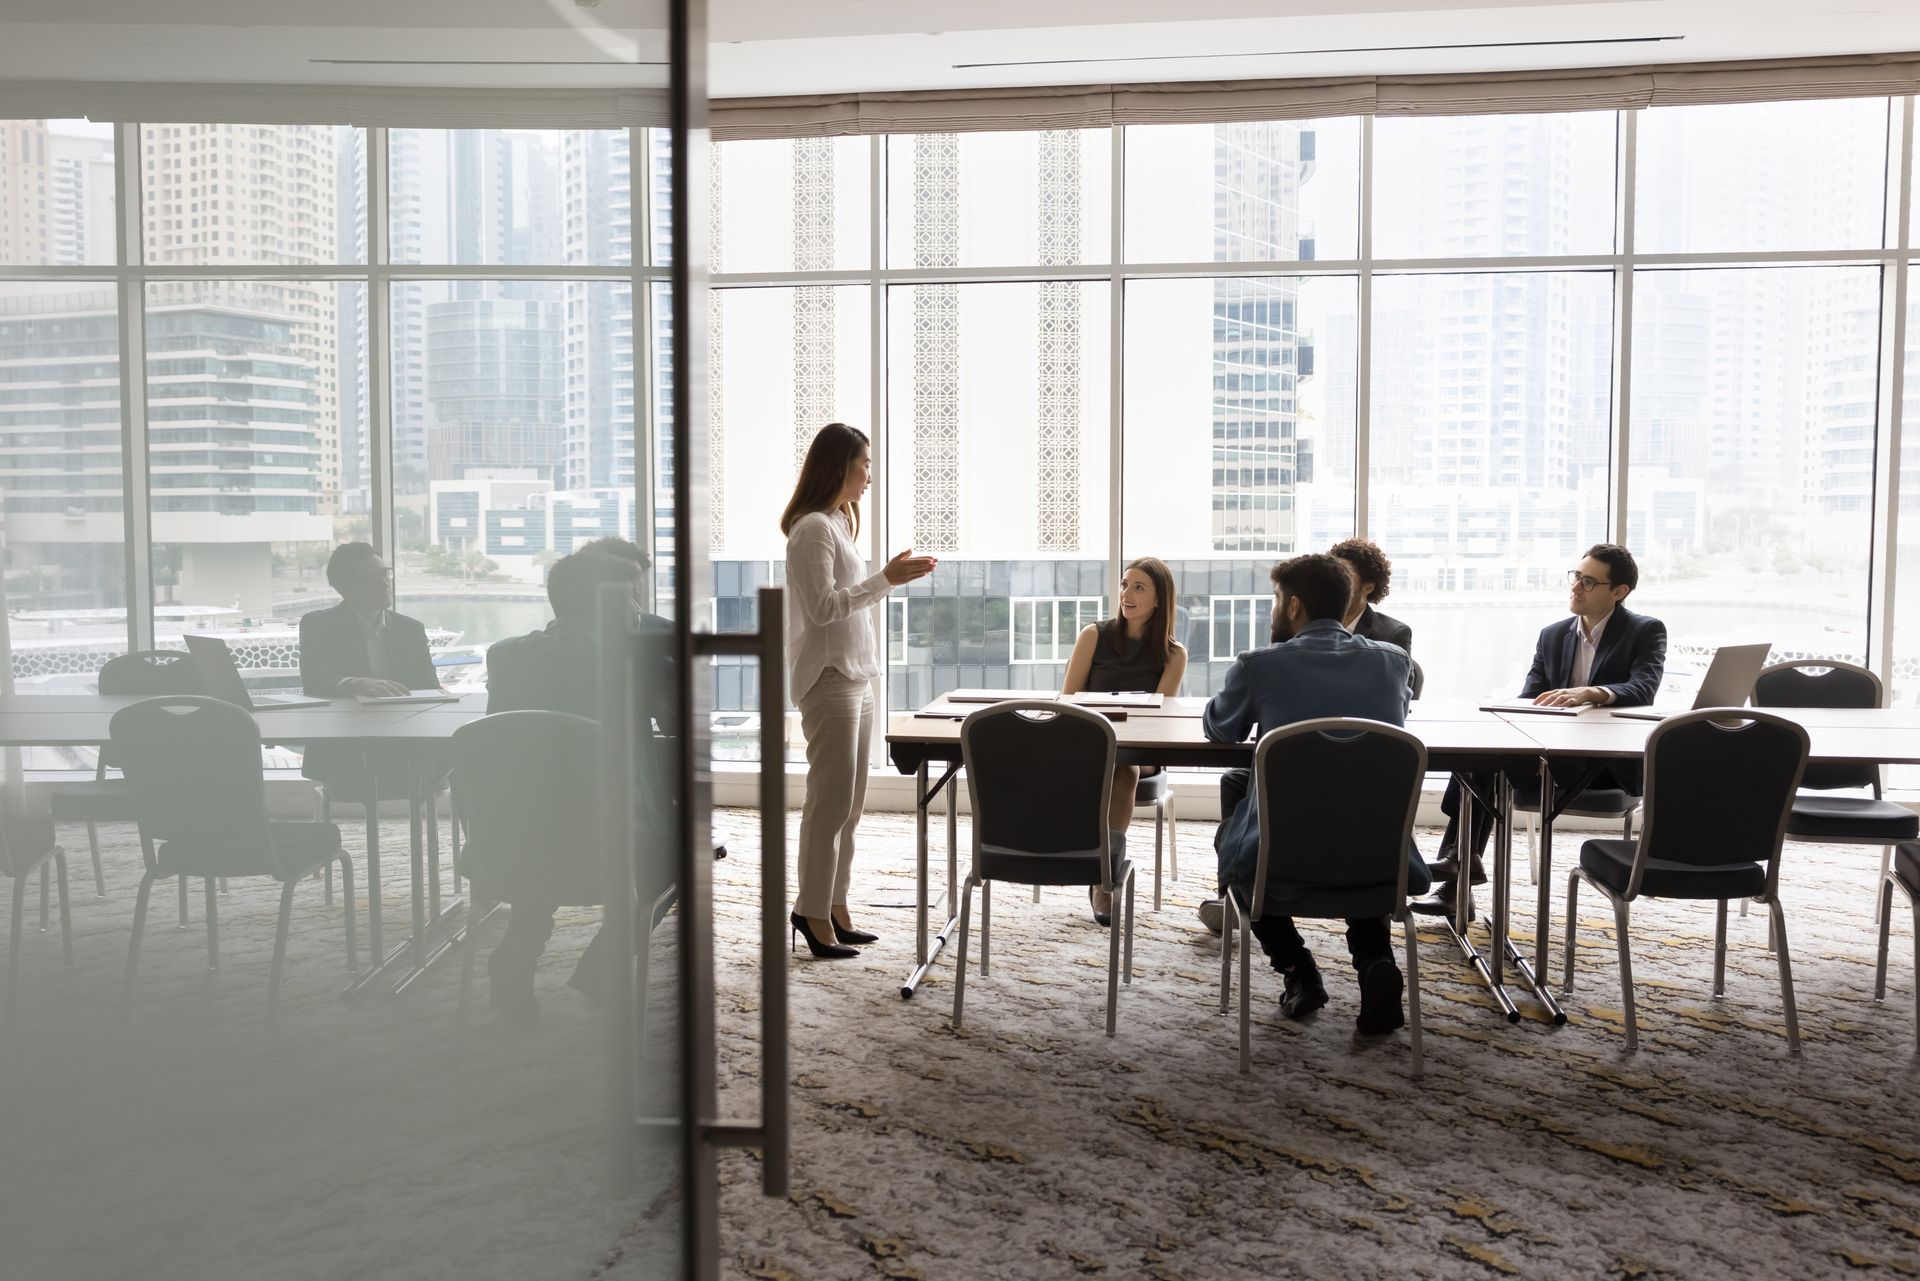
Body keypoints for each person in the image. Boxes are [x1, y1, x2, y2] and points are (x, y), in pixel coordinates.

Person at [1200, 553, 1429, 1032]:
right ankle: (1373, 963)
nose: (1272, 610)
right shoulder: (1394, 662)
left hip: (1282, 855)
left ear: (1294, 606)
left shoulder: (1259, 665)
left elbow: (1221, 729)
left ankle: (1298, 970)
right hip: (1377, 854)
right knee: (1354, 825)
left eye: (1276, 601)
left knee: (1233, 846)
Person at [1414, 543, 1666, 919]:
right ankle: (1459, 868)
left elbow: (1643, 687)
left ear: (1619, 592)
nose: (1575, 587)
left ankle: (1458, 871)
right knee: (1482, 756)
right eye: (1575, 577)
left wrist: (1592, 693)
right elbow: (1531, 696)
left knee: (1487, 766)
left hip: (1604, 767)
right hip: (1548, 755)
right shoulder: (1552, 635)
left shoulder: (1644, 631)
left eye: (1588, 581)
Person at [471, 547, 647, 1023]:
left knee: (547, 836)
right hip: (599, 833)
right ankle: (599, 968)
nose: (639, 607)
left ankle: (516, 956)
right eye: (632, 596)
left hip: (515, 826)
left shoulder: (504, 655)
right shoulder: (623, 659)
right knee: (674, 854)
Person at [783, 423, 936, 959]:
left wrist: (886, 579)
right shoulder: (812, 530)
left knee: (849, 806)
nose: (870, 475)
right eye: (864, 464)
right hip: (828, 677)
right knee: (827, 805)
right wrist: (886, 579)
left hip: (856, 674)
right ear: (838, 466)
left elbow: (847, 604)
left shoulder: (840, 524)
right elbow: (824, 608)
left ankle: (836, 905)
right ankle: (811, 911)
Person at [1060, 556, 1188, 925]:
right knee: (1112, 763)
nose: (1126, 594)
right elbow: (1068, 700)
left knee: (1125, 768)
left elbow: (1158, 719)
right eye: (1124, 584)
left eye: (1138, 587)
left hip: (1140, 751)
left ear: (1159, 599)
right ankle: (1090, 865)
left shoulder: (1173, 654)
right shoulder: (1093, 635)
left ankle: (1105, 876)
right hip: (1092, 744)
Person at [299, 541, 441, 795]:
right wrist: (354, 683)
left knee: (468, 758)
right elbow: (314, 678)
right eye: (371, 578)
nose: (385, 583)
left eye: (384, 573)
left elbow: (429, 687)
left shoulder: (411, 629)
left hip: (407, 743)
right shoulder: (319, 625)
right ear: (344, 587)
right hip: (346, 747)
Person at [1329, 538, 1412, 653]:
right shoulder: (1310, 625)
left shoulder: (1393, 634)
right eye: (1334, 574)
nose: (1336, 583)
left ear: (1369, 587)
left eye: (1345, 577)